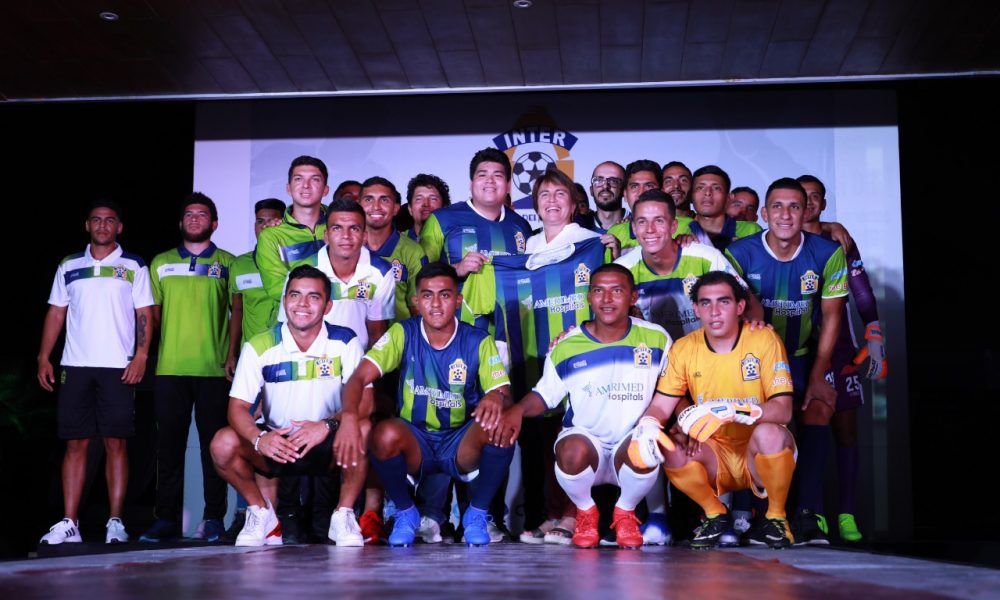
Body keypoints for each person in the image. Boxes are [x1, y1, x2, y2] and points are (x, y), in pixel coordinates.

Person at [334, 263, 514, 546]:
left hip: (459, 442)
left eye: (445, 295)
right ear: (416, 301)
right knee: (382, 434)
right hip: (416, 440)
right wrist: (347, 418)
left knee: (503, 426)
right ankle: (406, 513)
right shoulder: (402, 332)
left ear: (458, 300)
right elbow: (358, 379)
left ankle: (477, 514)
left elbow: (505, 395)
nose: (436, 304)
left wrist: (497, 396)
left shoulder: (478, 340)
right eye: (428, 296)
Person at [498, 264, 672, 549]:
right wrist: (517, 410)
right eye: (599, 291)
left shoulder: (657, 338)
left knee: (646, 443)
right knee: (570, 450)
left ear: (633, 297)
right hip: (587, 444)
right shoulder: (567, 345)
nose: (607, 299)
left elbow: (671, 390)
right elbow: (544, 396)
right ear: (589, 297)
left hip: (629, 444)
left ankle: (625, 513)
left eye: (617, 291)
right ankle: (585, 513)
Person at [725, 178, 849, 545]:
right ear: (764, 214)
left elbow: (832, 315)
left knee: (819, 407)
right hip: (753, 361)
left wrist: (819, 371)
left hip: (801, 355)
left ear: (806, 210)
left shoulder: (827, 252)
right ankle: (756, 513)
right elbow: (734, 312)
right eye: (777, 206)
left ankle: (808, 513)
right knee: (757, 422)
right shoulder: (740, 252)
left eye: (794, 206)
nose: (785, 214)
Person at [210, 265, 372, 546]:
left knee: (365, 428)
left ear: (328, 306)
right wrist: (259, 438)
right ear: (284, 301)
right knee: (222, 444)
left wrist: (327, 425)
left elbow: (366, 402)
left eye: (314, 297)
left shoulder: (345, 341)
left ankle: (343, 516)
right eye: (295, 295)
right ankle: (262, 514)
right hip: (278, 443)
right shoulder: (260, 345)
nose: (302, 304)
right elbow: (237, 407)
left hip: (328, 442)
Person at [636, 271, 797, 549]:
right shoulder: (684, 348)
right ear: (696, 309)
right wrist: (647, 426)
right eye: (705, 303)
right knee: (666, 445)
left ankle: (776, 518)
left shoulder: (764, 339)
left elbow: (784, 411)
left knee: (770, 433)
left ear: (740, 306)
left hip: (757, 452)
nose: (714, 311)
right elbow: (661, 405)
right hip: (713, 451)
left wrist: (733, 411)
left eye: (723, 301)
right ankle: (715, 515)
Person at [37, 200, 154, 545]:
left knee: (116, 443)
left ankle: (115, 521)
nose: (103, 225)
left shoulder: (134, 265)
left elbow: (144, 312)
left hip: (118, 367)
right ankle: (69, 522)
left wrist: (141, 356)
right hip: (75, 366)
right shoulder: (69, 264)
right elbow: (56, 312)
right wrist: (44, 356)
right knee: (76, 444)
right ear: (87, 225)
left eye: (110, 220)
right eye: (96, 220)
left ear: (120, 227)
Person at [141, 193, 240, 542]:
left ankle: (213, 518)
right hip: (170, 370)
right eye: (189, 214)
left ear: (214, 223)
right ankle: (166, 518)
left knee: (214, 449)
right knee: (168, 449)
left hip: (214, 370)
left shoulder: (228, 263)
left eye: (202, 214)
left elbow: (237, 314)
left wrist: (232, 355)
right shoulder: (161, 263)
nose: (195, 219)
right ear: (180, 222)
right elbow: (153, 315)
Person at [798, 174, 887, 542]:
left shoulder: (839, 240)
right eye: (802, 196)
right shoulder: (779, 239)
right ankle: (813, 511)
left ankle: (847, 513)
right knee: (805, 429)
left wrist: (874, 331)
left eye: (815, 196)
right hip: (797, 347)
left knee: (845, 431)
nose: (808, 202)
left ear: (823, 203)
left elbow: (861, 291)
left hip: (840, 348)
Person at [225, 197, 286, 539]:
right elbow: (236, 310)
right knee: (248, 439)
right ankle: (250, 513)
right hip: (251, 365)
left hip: (286, 361)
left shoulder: (290, 259)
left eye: (272, 221)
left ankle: (284, 514)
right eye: (260, 220)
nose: (265, 226)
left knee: (284, 435)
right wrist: (232, 352)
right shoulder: (240, 265)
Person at [419, 148, 532, 277]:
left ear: (508, 185)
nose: (490, 180)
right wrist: (456, 270)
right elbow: (421, 275)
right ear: (471, 183)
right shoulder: (441, 219)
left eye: (498, 175)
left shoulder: (521, 225)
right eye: (482, 175)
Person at [257, 156, 331, 320]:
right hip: (295, 323)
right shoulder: (271, 235)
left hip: (343, 318)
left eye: (315, 179)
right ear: (288, 188)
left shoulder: (341, 225)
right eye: (298, 179)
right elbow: (277, 288)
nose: (306, 185)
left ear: (325, 189)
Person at [360, 176, 428, 321]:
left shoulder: (413, 252)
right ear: (358, 206)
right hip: (351, 335)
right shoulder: (346, 246)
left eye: (384, 200)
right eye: (369, 199)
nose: (376, 206)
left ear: (396, 208)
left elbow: (418, 309)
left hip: (397, 334)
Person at [675, 166, 763, 252]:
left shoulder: (751, 230)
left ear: (728, 198)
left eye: (716, 188)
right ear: (691, 196)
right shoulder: (675, 225)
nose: (708, 193)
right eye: (700, 188)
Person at [607, 159, 666, 252]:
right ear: (625, 195)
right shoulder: (614, 233)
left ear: (662, 192)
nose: (641, 192)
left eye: (649, 186)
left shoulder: (683, 228)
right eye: (634, 186)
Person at [403, 174, 450, 242]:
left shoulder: (457, 241)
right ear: (410, 209)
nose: (426, 204)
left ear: (444, 207)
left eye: (433, 199)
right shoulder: (396, 242)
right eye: (419, 199)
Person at [587, 161, 628, 234]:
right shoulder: (579, 227)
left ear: (624, 191)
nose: (605, 186)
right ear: (591, 190)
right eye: (598, 180)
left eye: (613, 181)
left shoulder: (638, 225)